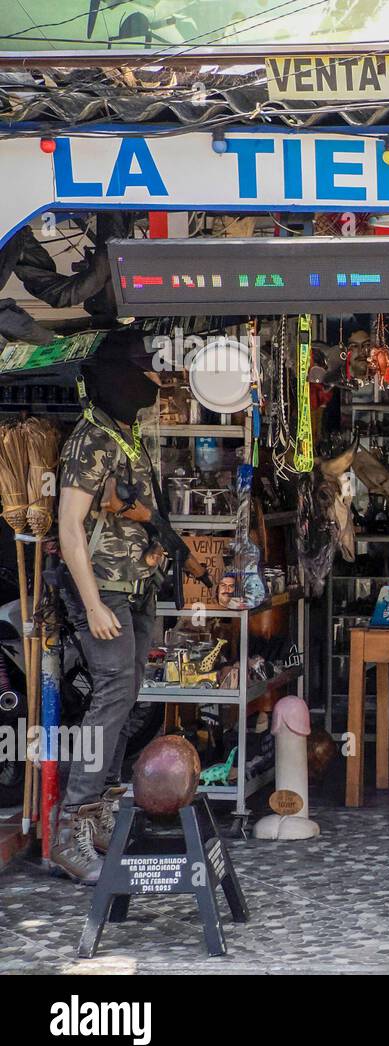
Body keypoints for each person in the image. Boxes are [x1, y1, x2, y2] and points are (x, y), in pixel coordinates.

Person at [51, 336, 163, 883]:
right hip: (103, 590)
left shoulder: (127, 436)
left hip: (136, 586)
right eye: (139, 373)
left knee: (128, 700)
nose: (148, 384)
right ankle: (70, 827)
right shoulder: (91, 439)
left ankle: (101, 814)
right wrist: (93, 602)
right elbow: (69, 526)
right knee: (113, 696)